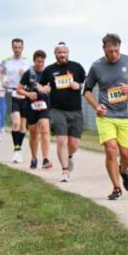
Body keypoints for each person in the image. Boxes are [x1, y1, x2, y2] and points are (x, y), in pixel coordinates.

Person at [84, 33, 128, 200]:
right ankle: (116, 188)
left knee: (127, 156)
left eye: (116, 51)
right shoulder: (96, 66)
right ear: (104, 49)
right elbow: (86, 91)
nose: (114, 54)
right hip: (106, 115)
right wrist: (96, 106)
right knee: (110, 149)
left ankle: (123, 170)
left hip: (126, 116)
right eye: (110, 51)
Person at [38, 43, 87, 182]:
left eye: (64, 52)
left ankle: (69, 156)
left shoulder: (76, 67)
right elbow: (40, 84)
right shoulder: (49, 70)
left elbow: (88, 83)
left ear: (68, 53)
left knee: (74, 143)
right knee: (61, 140)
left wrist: (79, 86)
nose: (62, 54)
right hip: (57, 110)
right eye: (59, 52)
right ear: (55, 54)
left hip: (75, 110)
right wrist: (43, 89)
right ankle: (65, 171)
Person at [17, 50, 53, 170]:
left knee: (44, 128)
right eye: (38, 61)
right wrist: (28, 94)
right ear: (34, 61)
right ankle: (34, 158)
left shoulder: (48, 73)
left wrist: (49, 89)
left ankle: (46, 159)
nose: (40, 64)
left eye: (42, 61)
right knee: (33, 133)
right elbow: (19, 89)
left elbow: (53, 88)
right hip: (31, 105)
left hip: (44, 104)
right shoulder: (28, 73)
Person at [3, 38, 30, 163]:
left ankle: (19, 149)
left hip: (24, 94)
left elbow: (32, 77)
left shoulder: (27, 62)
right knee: (16, 123)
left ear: (23, 48)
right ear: (12, 47)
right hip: (12, 94)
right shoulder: (7, 62)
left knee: (23, 125)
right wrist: (4, 82)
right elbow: (4, 77)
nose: (17, 50)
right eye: (15, 47)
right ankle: (16, 149)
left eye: (19, 47)